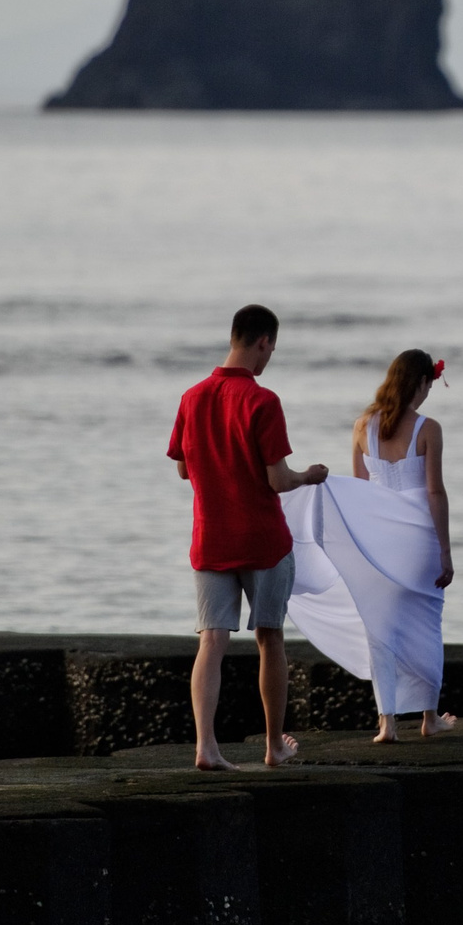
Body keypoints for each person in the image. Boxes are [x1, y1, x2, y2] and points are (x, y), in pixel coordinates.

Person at [168, 303, 326, 770]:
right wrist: (309, 475)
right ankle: (275, 746)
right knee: (269, 637)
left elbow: (182, 468)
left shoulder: (192, 397)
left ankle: (206, 748)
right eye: (271, 348)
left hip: (210, 539)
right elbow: (278, 480)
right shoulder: (263, 401)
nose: (270, 356)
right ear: (263, 341)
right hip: (261, 540)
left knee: (211, 643)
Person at [283, 348, 457, 742]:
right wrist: (446, 551)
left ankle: (387, 723)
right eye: (429, 384)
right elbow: (435, 493)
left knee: (378, 625)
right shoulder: (428, 428)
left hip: (378, 537)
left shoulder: (363, 425)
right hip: (419, 537)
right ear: (422, 383)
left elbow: (360, 494)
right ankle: (430, 718)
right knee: (425, 620)